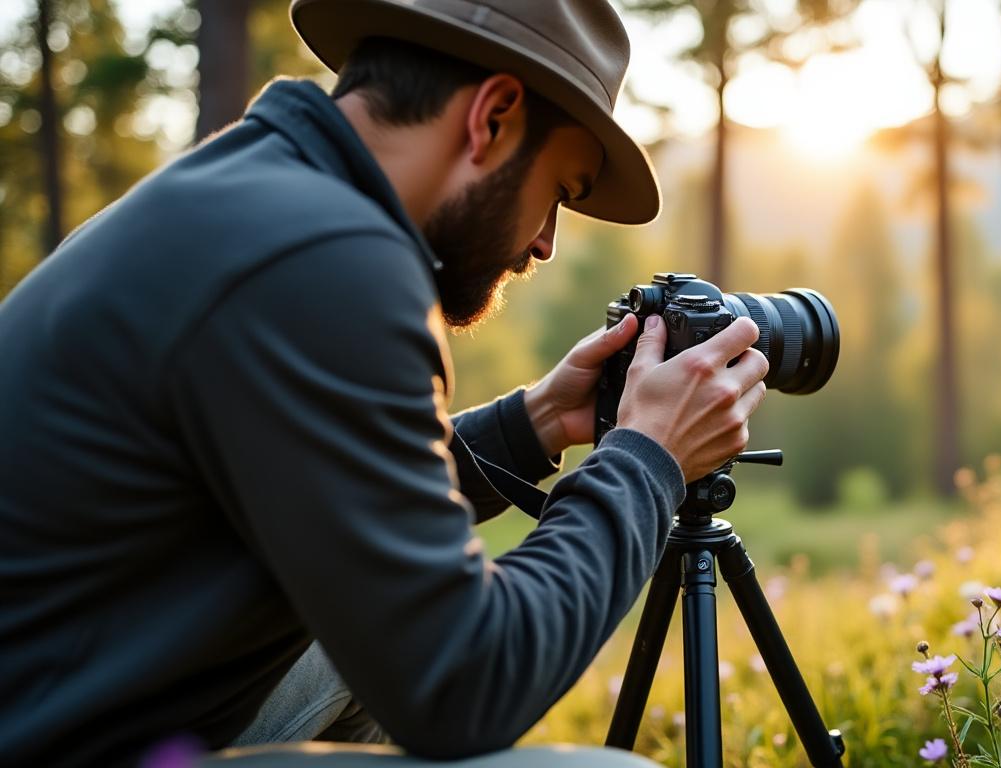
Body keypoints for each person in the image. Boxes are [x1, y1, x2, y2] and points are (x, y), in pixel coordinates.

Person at [0, 1, 771, 765]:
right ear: (493, 117)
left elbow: (342, 502)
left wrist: (537, 422)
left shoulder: (244, 200)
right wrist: (647, 458)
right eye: (560, 191)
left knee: (364, 643)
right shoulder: (324, 259)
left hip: (72, 704)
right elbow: (466, 682)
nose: (543, 242)